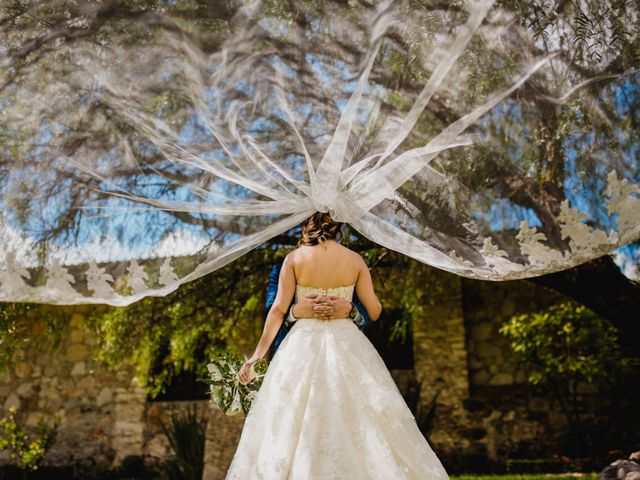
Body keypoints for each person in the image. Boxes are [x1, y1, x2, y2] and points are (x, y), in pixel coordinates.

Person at [226, 212, 449, 480]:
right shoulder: (355, 260)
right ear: (339, 224)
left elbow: (276, 312)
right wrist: (348, 308)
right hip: (348, 342)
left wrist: (255, 357)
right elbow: (376, 310)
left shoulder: (294, 259)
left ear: (305, 223)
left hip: (302, 344)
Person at [265, 245, 370, 362]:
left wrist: (352, 311)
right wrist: (294, 313)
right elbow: (273, 310)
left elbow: (367, 309)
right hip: (296, 349)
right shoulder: (283, 268)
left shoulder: (349, 264)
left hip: (346, 347)